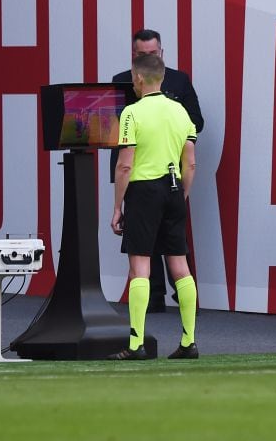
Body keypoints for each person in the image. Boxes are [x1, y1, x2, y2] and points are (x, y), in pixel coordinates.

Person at [107, 53, 199, 360]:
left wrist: (118, 206)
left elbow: (124, 165)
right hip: (173, 188)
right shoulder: (181, 112)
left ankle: (136, 345)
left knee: (140, 266)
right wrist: (182, 194)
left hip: (143, 191)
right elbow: (191, 162)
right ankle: (189, 341)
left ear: (140, 78)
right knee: (180, 266)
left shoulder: (132, 113)